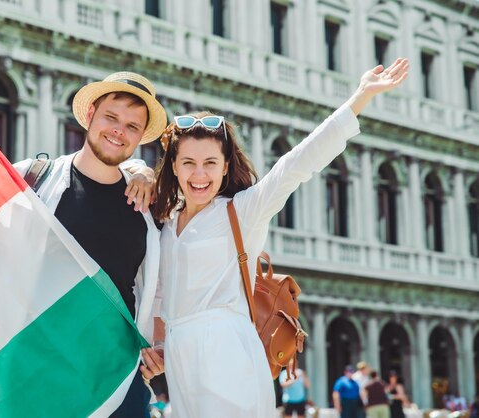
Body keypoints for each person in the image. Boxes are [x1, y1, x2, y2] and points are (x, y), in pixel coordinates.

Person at [152, 58, 409, 418]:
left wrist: (359, 99)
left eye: (210, 163)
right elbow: (161, 295)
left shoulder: (242, 210)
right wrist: (161, 344)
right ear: (174, 166)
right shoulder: (166, 222)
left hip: (226, 350)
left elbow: (295, 166)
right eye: (189, 163)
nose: (199, 174)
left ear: (226, 166)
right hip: (180, 356)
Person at [0, 71, 168, 417]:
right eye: (111, 117)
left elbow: (166, 285)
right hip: (40, 374)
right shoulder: (33, 179)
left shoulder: (146, 207)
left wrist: (161, 345)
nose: (119, 130)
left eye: (132, 126)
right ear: (90, 114)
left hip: (118, 381)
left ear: (139, 138)